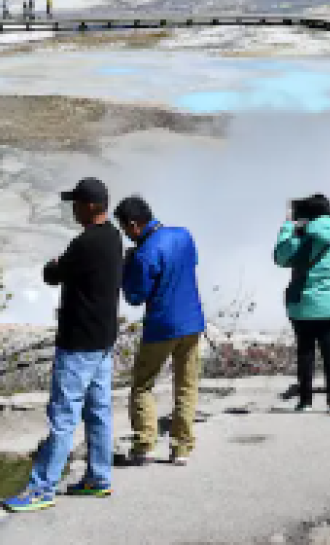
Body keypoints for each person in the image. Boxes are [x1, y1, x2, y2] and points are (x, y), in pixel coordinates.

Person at [5, 178, 123, 512]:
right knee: (99, 412)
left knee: (63, 416)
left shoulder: (84, 244)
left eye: (76, 203)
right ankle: (99, 477)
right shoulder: (113, 237)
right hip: (103, 340)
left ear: (90, 206)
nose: (73, 209)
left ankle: (41, 487)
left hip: (77, 343)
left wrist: (56, 264)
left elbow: (51, 275)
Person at [114, 196, 205, 467]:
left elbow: (135, 296)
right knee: (186, 385)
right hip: (192, 322)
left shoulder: (144, 253)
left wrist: (127, 267)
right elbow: (192, 264)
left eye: (125, 229)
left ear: (134, 225)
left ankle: (145, 444)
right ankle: (181, 448)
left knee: (143, 385)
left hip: (161, 326)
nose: (127, 235)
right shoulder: (184, 235)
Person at [274, 194, 330, 415]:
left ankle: (305, 401)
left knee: (305, 352)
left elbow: (280, 257)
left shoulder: (300, 240)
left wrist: (288, 228)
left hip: (304, 305)